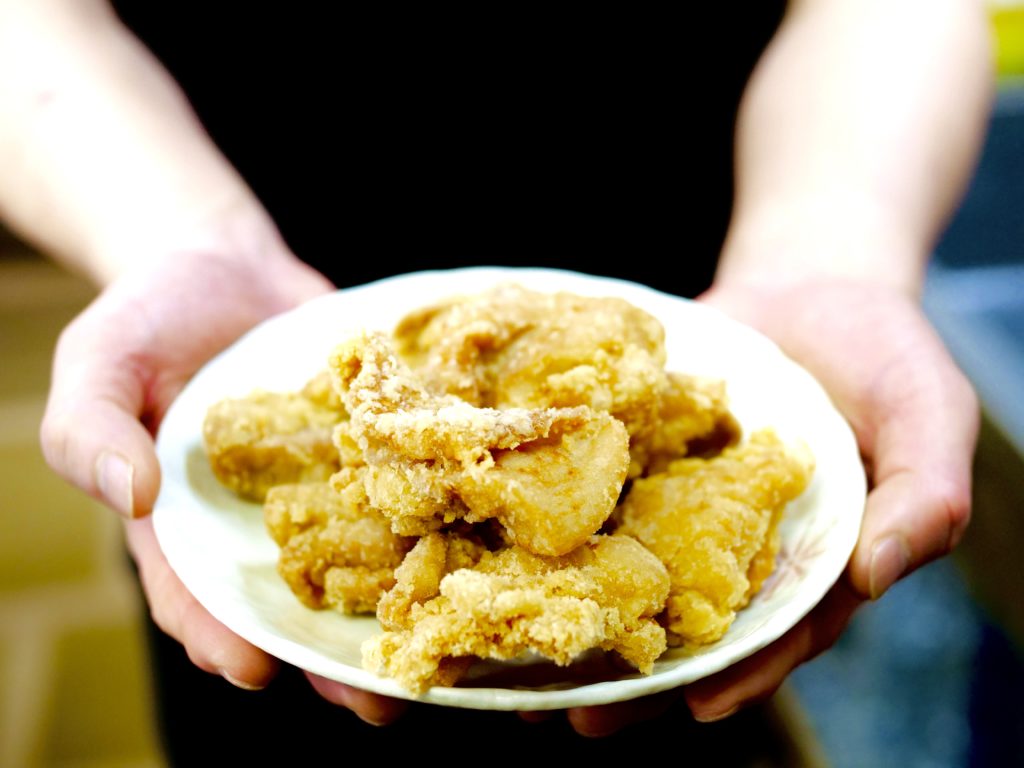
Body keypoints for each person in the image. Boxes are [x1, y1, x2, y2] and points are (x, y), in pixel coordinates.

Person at [1, 0, 991, 758]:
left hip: (713, 271)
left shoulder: (637, 456)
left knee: (699, 715)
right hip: (246, 262)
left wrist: (830, 255)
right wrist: (177, 237)